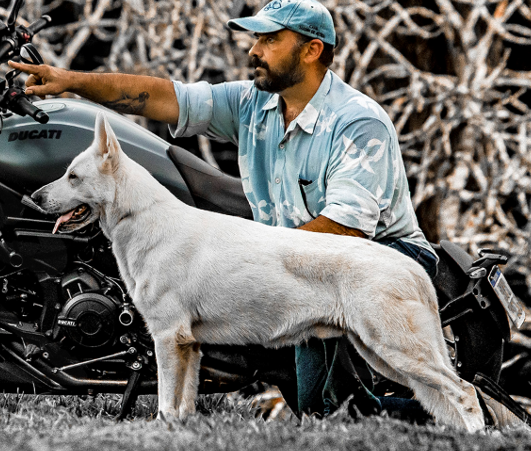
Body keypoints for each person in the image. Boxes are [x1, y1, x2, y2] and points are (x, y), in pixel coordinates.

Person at [9, 0, 438, 418]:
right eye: (255, 40)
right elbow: (161, 98)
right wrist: (70, 81)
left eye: (269, 40)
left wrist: (252, 269)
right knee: (313, 402)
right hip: (299, 258)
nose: (254, 51)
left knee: (331, 407)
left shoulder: (357, 123)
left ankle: (462, 414)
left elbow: (345, 233)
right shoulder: (255, 103)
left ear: (312, 50)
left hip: (371, 262)